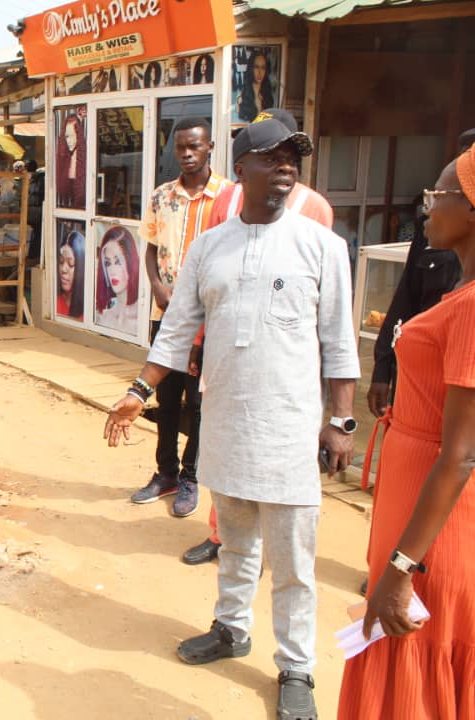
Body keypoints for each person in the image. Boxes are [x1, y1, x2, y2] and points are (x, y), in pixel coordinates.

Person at [104, 118, 360, 720]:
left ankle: (296, 667)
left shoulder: (321, 246)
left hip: (291, 429)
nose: (287, 168)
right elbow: (176, 329)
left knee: (294, 561)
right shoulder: (208, 246)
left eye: (293, 157)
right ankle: (231, 629)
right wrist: (140, 390)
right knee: (236, 543)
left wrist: (341, 421)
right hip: (226, 421)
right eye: (272, 158)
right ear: (241, 169)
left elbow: (340, 343)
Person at [336, 145, 475, 720]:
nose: (427, 209)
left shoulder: (472, 309)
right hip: (414, 500)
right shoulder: (458, 291)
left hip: (434, 523)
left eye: (438, 195)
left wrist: (401, 568)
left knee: (412, 643)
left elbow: (462, 455)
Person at [182, 107, 335, 566]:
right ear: (246, 164)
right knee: (225, 442)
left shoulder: (315, 212)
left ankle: (268, 547)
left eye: (286, 151)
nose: (280, 162)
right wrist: (199, 344)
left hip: (284, 361)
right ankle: (221, 535)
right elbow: (210, 283)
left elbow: (318, 297)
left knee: (279, 454)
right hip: (229, 351)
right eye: (269, 153)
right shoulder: (226, 201)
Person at [132, 117, 231, 518]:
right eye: (181, 148)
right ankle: (165, 473)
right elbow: (151, 248)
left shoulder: (229, 198)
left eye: (195, 147)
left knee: (201, 401)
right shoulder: (161, 197)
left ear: (209, 147)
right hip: (167, 315)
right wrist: (156, 285)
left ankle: (191, 477)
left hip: (211, 321)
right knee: (167, 398)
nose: (188, 154)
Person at [366, 130, 472, 417]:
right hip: (416, 383)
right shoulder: (432, 231)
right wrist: (383, 366)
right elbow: (405, 299)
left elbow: (458, 455)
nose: (431, 206)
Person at [95, 225, 139, 333]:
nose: (112, 271)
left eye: (118, 262)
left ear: (130, 262)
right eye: (108, 263)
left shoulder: (139, 319)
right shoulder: (105, 316)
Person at [55, 112, 86, 209]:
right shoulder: (64, 158)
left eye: (73, 135)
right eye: (67, 136)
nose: (69, 141)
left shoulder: (84, 157)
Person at [56, 228, 85, 320]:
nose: (63, 269)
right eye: (61, 262)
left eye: (71, 264)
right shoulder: (54, 302)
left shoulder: (88, 310)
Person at [238, 50, 274, 122]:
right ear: (251, 68)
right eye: (256, 67)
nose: (260, 72)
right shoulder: (242, 96)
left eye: (263, 68)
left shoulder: (267, 96)